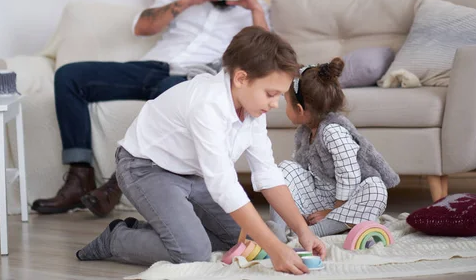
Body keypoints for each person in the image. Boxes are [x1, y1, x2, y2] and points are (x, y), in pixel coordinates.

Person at [31, 0, 271, 217]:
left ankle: (116, 184)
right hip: (151, 66)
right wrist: (188, 0)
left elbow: (263, 60)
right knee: (69, 76)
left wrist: (253, 6)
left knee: (170, 91)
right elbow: (142, 27)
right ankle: (79, 176)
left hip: (193, 77)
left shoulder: (256, 9)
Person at [76, 27, 327, 275]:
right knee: (193, 253)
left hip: (193, 174)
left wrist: (304, 232)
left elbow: (267, 175)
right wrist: (274, 250)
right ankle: (117, 238)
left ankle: (171, 232)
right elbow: (224, 187)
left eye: (279, 96)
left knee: (246, 238)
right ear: (241, 78)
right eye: (271, 94)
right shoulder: (207, 104)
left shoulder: (253, 109)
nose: (274, 104)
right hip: (145, 167)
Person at [266, 58, 400, 240]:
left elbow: (349, 174)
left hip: (346, 201)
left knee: (376, 189)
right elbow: (302, 168)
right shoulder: (304, 132)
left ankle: (318, 230)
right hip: (319, 196)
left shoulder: (333, 131)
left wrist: (333, 210)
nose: (283, 107)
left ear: (299, 109)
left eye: (286, 102)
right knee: (281, 172)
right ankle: (278, 231)